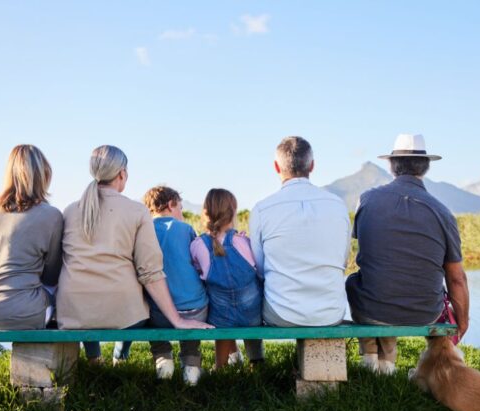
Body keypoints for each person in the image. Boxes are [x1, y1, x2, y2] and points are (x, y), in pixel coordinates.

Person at [56, 145, 212, 370]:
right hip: (123, 317)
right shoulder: (136, 211)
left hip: (72, 314)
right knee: (145, 305)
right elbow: (150, 272)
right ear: (122, 174)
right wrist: (178, 320)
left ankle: (94, 361)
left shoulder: (70, 211)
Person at [345, 134, 470, 375]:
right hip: (425, 312)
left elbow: (373, 254)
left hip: (374, 307)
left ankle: (371, 360)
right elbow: (456, 278)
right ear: (425, 167)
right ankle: (386, 365)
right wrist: (463, 321)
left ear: (392, 166)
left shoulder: (367, 200)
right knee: (389, 287)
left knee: (356, 282)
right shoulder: (443, 212)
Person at [0, 145, 63, 330]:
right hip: (21, 313)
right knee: (59, 290)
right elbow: (52, 275)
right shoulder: (51, 215)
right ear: (43, 175)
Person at [249, 136, 350, 327]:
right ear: (312, 165)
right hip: (330, 313)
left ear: (276, 167)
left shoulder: (262, 209)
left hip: (282, 312)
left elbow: (260, 270)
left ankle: (255, 357)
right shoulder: (337, 205)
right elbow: (342, 262)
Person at [142, 186, 209, 385]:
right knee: (191, 322)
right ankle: (191, 365)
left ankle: (163, 358)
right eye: (179, 207)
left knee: (149, 314)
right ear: (171, 205)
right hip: (195, 310)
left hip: (160, 314)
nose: (181, 212)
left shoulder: (144, 231)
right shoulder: (186, 229)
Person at [191, 189, 264, 368]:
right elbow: (259, 272)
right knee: (251, 304)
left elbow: (198, 273)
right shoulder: (244, 242)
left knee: (223, 315)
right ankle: (256, 360)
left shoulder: (198, 245)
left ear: (205, 213)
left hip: (220, 317)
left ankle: (221, 365)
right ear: (232, 213)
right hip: (252, 316)